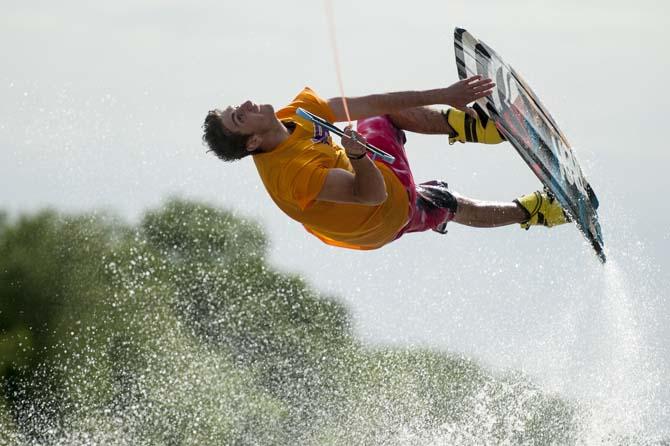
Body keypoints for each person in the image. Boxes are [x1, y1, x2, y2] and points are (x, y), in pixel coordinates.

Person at [201, 75, 568, 251]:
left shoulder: (295, 112)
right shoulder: (291, 176)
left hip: (379, 226)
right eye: (239, 118)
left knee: (444, 202)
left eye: (236, 108)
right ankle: (483, 128)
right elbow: (370, 194)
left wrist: (445, 95)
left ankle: (539, 212)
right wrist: (359, 157)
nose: (246, 105)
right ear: (252, 142)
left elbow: (373, 100)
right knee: (381, 124)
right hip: (377, 210)